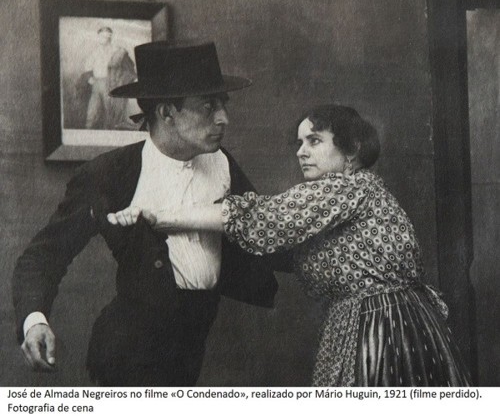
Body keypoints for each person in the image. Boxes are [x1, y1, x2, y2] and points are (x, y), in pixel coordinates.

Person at [110, 104, 471, 387]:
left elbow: (264, 217)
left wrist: (159, 216)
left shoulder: (345, 189)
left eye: (314, 141)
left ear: (352, 149)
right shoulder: (359, 191)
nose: (301, 152)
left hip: (380, 330)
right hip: (394, 321)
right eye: (299, 143)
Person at [12, 40, 278, 386]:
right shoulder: (109, 174)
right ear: (166, 113)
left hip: (193, 350)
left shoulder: (222, 163)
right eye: (208, 105)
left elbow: (266, 227)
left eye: (222, 104)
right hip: (128, 357)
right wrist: (34, 320)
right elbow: (43, 256)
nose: (223, 118)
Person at [83, 26, 138, 130]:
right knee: (92, 111)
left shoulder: (118, 51)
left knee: (111, 112)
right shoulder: (95, 52)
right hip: (97, 84)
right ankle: (87, 132)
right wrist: (90, 79)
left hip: (111, 83)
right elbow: (87, 68)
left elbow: (129, 67)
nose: (103, 39)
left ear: (110, 37)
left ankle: (110, 133)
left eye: (106, 36)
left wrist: (132, 79)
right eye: (101, 36)